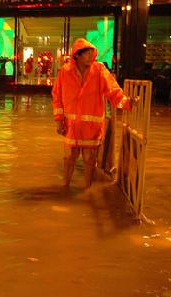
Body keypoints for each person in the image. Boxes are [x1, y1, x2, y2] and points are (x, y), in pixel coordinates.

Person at [52, 38, 131, 188]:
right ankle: (65, 187)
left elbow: (113, 91)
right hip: (71, 126)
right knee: (69, 157)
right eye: (87, 54)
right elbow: (57, 97)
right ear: (77, 55)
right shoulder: (65, 72)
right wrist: (58, 120)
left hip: (91, 127)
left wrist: (127, 103)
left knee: (89, 159)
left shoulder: (99, 70)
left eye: (91, 53)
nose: (90, 56)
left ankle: (87, 189)